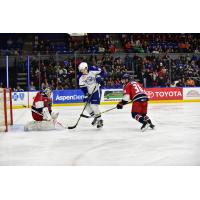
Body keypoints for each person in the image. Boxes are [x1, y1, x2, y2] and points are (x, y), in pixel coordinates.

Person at [78, 62, 104, 128]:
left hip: (96, 91)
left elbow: (102, 72)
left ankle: (100, 120)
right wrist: (86, 94)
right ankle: (95, 117)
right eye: (80, 70)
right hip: (89, 92)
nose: (81, 71)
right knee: (86, 105)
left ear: (86, 68)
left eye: (82, 70)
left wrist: (99, 77)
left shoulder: (93, 70)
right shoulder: (81, 78)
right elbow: (83, 88)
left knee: (93, 106)